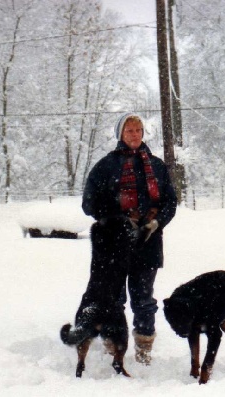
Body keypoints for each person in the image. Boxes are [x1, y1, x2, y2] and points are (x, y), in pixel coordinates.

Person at [82, 113, 177, 365]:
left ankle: (144, 348)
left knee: (144, 299)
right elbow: (89, 203)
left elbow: (170, 202)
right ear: (120, 135)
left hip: (148, 243)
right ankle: (114, 344)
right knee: (114, 299)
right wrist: (119, 218)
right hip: (114, 245)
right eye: (129, 131)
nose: (135, 135)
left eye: (138, 130)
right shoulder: (106, 166)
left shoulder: (156, 166)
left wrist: (155, 222)